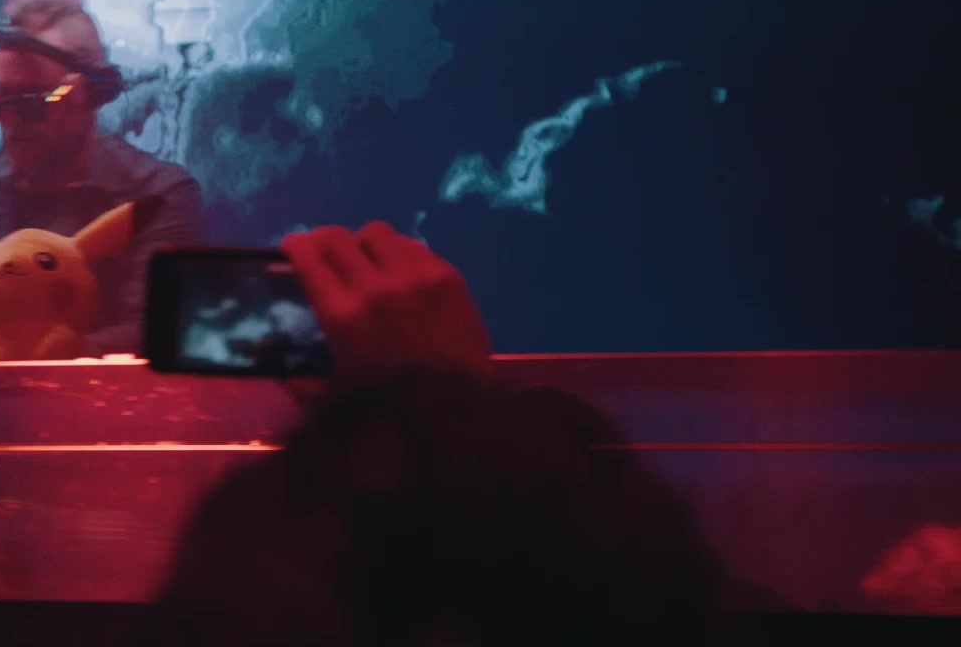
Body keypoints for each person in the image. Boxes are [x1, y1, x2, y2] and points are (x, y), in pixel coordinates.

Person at [136, 223, 727, 646]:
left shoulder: (248, 544)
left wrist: (391, 420)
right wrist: (450, 408)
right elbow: (643, 603)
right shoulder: (600, 546)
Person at [0, 0, 203, 358]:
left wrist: (35, 358)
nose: (12, 120)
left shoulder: (157, 197)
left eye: (33, 103)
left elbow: (156, 333)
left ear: (91, 94)